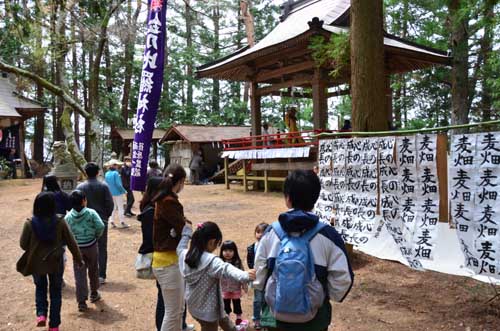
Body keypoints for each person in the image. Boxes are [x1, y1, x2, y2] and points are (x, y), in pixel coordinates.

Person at [254, 170, 354, 331]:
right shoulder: (328, 235)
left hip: (275, 318)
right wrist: (326, 295)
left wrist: (261, 287)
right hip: (315, 319)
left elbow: (259, 274)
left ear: (287, 198)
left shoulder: (271, 233)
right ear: (315, 197)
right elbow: (343, 279)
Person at [19, 192, 83, 331]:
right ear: (53, 205)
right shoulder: (60, 221)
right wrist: (79, 259)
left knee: (40, 289)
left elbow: (23, 245)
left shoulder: (29, 223)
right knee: (55, 292)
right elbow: (71, 242)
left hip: (36, 263)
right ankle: (54, 325)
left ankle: (41, 315)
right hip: (55, 263)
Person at [138, 177, 194, 331]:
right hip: (164, 261)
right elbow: (158, 237)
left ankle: (179, 326)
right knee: (168, 306)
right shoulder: (155, 209)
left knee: (174, 305)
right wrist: (177, 232)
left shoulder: (154, 206)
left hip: (166, 260)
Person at [177, 222, 256, 331]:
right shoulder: (211, 261)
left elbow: (180, 247)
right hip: (208, 312)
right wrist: (244, 275)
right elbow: (226, 268)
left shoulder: (184, 255)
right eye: (217, 244)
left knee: (223, 318)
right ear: (212, 242)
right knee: (210, 326)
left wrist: (186, 232)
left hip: (194, 305)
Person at [152, 164, 188, 331]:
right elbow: (183, 228)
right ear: (180, 181)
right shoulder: (169, 201)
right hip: (167, 263)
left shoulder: (164, 198)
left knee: (179, 309)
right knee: (173, 311)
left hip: (170, 260)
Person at [65, 190, 105, 311]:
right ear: (84, 201)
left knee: (79, 274)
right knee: (93, 269)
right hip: (91, 246)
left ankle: (81, 302)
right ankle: (94, 293)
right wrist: (96, 236)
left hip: (77, 249)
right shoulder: (91, 213)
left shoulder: (68, 217)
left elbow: (67, 234)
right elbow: (101, 226)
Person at [76, 162, 114, 285]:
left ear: (85, 173)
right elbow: (110, 204)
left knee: (86, 246)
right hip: (101, 220)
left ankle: (88, 274)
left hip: (85, 222)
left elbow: (76, 204)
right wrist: (106, 217)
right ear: (98, 172)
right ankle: (101, 275)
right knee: (102, 247)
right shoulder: (104, 186)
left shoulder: (80, 187)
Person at [246, 223, 269, 330]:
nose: (260, 235)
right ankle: (256, 318)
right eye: (258, 232)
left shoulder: (270, 248)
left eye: (263, 233)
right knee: (257, 300)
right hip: (256, 277)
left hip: (267, 278)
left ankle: (265, 319)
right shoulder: (251, 247)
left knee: (266, 299)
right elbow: (250, 261)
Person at [220, 240, 247, 326]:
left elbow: (242, 274)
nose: (228, 253)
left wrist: (244, 285)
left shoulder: (238, 262)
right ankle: (227, 318)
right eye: (225, 251)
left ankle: (238, 318)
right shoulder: (219, 263)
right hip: (224, 288)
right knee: (226, 304)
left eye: (230, 251)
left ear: (235, 252)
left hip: (235, 288)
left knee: (237, 303)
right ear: (221, 252)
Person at [104, 159, 129, 228]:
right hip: (118, 193)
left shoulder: (106, 173)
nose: (118, 166)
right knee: (120, 207)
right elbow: (118, 184)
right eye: (117, 165)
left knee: (113, 207)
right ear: (115, 166)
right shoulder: (116, 173)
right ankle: (122, 222)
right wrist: (124, 191)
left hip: (110, 192)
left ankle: (111, 220)